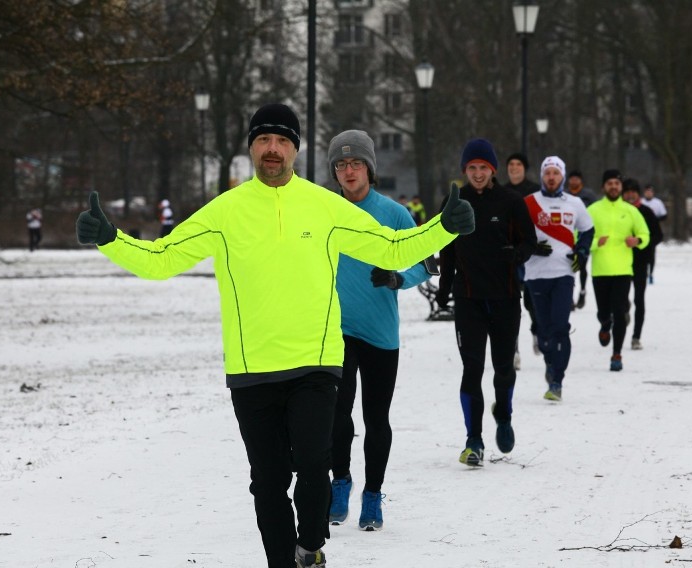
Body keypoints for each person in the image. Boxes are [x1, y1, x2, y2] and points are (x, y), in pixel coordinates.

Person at [75, 103, 475, 568]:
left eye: (283, 140)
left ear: (296, 150)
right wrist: (111, 238)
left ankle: (310, 544)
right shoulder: (225, 211)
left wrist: (442, 229)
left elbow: (390, 247)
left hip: (316, 362)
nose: (273, 148)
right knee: (267, 482)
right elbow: (163, 258)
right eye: (264, 139)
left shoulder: (325, 207)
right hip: (253, 369)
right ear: (251, 148)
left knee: (311, 469)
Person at [326, 130, 434, 532]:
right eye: (341, 164)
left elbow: (425, 264)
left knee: (376, 417)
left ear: (369, 168)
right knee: (337, 412)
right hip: (335, 329)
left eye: (355, 164)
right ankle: (341, 482)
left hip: (379, 332)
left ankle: (373, 494)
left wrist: (396, 279)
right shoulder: (325, 211)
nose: (348, 171)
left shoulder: (393, 213)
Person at [435, 138, 537, 467]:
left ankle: (504, 415)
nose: (478, 174)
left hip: (505, 297)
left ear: (493, 170)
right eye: (472, 168)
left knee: (504, 368)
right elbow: (446, 248)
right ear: (465, 170)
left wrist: (517, 254)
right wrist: (444, 286)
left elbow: (529, 241)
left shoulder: (510, 201)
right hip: (469, 300)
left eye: (484, 168)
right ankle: (473, 440)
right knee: (472, 369)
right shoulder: (454, 201)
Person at [523, 157, 594, 402]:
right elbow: (515, 233)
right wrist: (530, 247)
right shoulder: (529, 202)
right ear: (542, 176)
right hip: (535, 274)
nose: (551, 177)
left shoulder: (574, 203)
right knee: (544, 332)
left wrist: (582, 252)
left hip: (564, 272)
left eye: (555, 173)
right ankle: (549, 359)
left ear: (562, 176)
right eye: (547, 173)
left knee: (560, 327)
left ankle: (557, 382)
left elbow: (588, 229)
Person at [586, 170, 650, 372]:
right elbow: (580, 237)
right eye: (609, 183)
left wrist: (637, 241)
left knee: (620, 312)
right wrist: (596, 242)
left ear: (620, 187)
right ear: (604, 187)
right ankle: (605, 325)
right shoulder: (593, 210)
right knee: (604, 312)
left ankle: (617, 354)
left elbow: (645, 233)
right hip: (600, 271)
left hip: (623, 270)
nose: (613, 186)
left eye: (616, 183)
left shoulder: (630, 211)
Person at [502, 152, 541, 365]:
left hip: (532, 252)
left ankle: (537, 332)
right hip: (510, 254)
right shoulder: (503, 191)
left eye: (518, 164)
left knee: (532, 301)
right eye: (511, 164)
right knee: (511, 303)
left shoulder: (535, 191)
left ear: (524, 168)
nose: (514, 168)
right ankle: (513, 349)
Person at [622, 178, 663, 350]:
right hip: (620, 261)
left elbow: (658, 235)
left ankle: (636, 336)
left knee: (640, 298)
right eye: (627, 191)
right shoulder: (618, 212)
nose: (630, 194)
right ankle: (624, 308)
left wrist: (642, 243)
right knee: (620, 299)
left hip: (640, 262)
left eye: (633, 191)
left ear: (638, 194)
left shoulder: (647, 211)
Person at [564, 170, 598, 309]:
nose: (574, 181)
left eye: (576, 179)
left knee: (582, 265)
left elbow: (595, 212)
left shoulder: (588, 195)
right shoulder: (564, 194)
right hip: (567, 234)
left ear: (581, 181)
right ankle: (569, 297)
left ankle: (582, 292)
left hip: (584, 234)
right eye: (572, 179)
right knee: (568, 267)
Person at [641, 184, 668, 283]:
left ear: (653, 193)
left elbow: (664, 216)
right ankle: (642, 272)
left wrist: (655, 219)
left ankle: (651, 273)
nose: (648, 193)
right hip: (641, 231)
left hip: (653, 231)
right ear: (644, 193)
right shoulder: (641, 202)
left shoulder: (657, 203)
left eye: (650, 191)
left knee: (651, 253)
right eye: (647, 191)